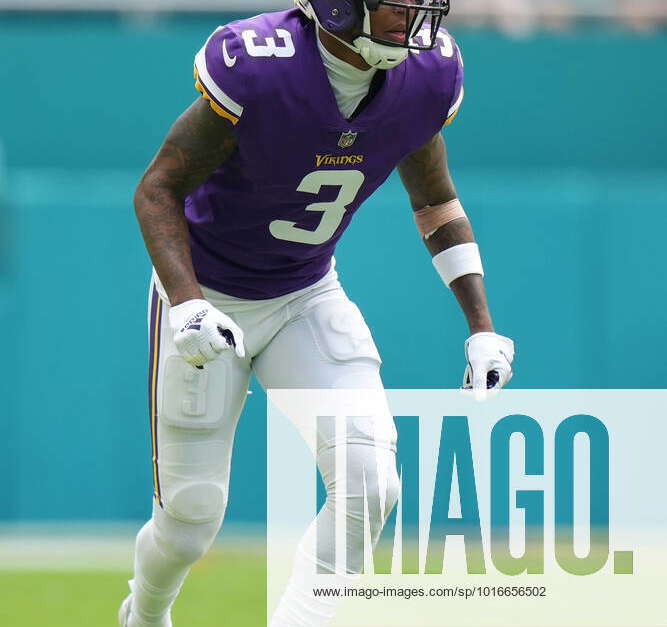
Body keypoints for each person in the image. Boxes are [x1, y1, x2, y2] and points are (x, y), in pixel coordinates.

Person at [119, 1, 515, 626]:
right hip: (207, 295)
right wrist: (188, 305)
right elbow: (157, 188)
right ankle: (143, 614)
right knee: (189, 520)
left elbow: (436, 202)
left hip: (303, 293)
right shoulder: (261, 65)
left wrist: (482, 326)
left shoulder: (427, 75)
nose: (414, 13)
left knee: (370, 480)